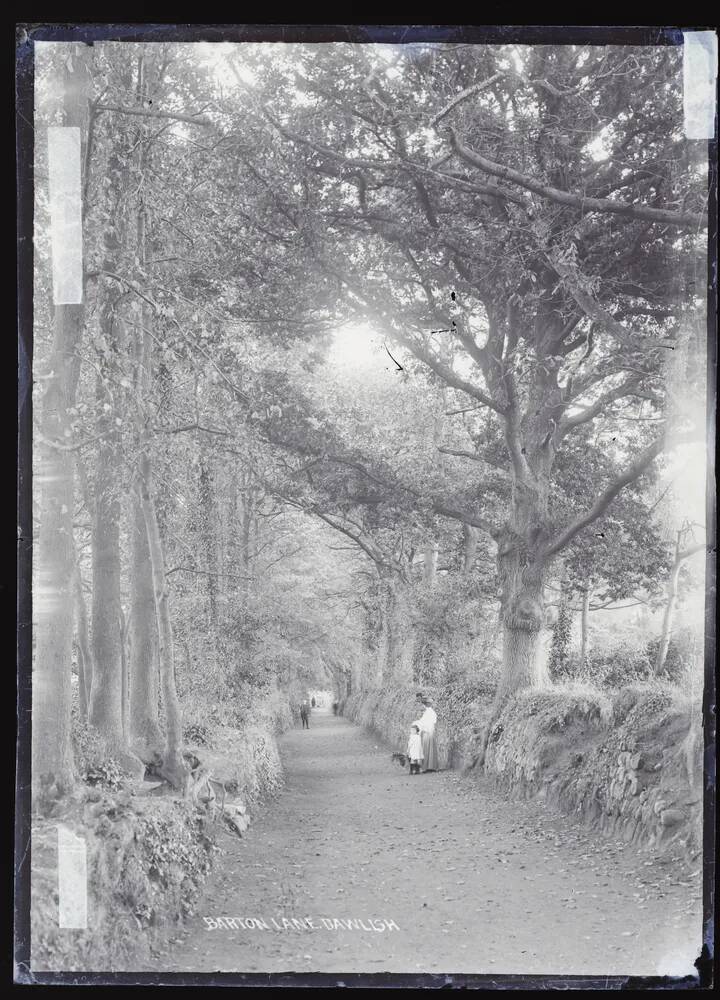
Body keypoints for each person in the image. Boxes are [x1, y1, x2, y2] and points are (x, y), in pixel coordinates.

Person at [415, 692, 439, 772]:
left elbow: (424, 722)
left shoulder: (428, 712)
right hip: (430, 731)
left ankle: (426, 767)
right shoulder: (429, 712)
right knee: (430, 748)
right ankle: (431, 766)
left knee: (426, 748)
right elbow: (433, 721)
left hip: (427, 731)